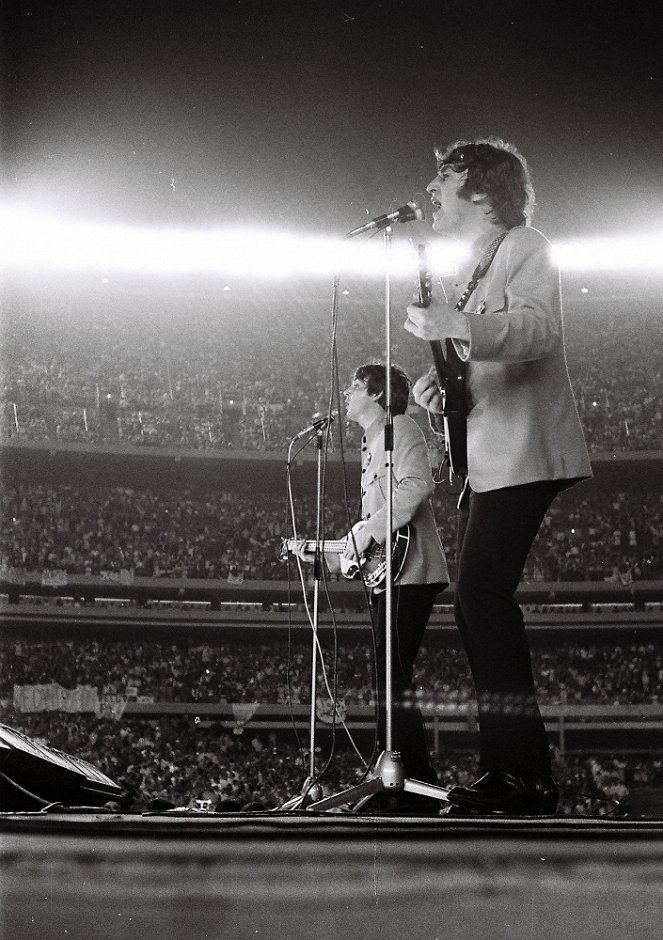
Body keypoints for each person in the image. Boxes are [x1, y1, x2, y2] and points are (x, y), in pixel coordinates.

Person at [404, 137, 592, 815]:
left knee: (480, 596)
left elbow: (537, 330)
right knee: (478, 599)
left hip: (521, 454)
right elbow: (486, 353)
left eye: (443, 179)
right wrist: (442, 384)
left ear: (481, 190)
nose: (429, 190)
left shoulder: (523, 244)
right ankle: (515, 770)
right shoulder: (477, 266)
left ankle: (519, 773)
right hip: (491, 459)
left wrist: (457, 326)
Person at [301, 362, 449, 813]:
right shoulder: (373, 440)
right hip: (392, 571)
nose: (347, 391)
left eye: (355, 385)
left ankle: (408, 780)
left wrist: (365, 533)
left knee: (390, 672)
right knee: (388, 673)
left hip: (413, 569)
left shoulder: (400, 426)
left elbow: (416, 485)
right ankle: (405, 776)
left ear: (379, 394)